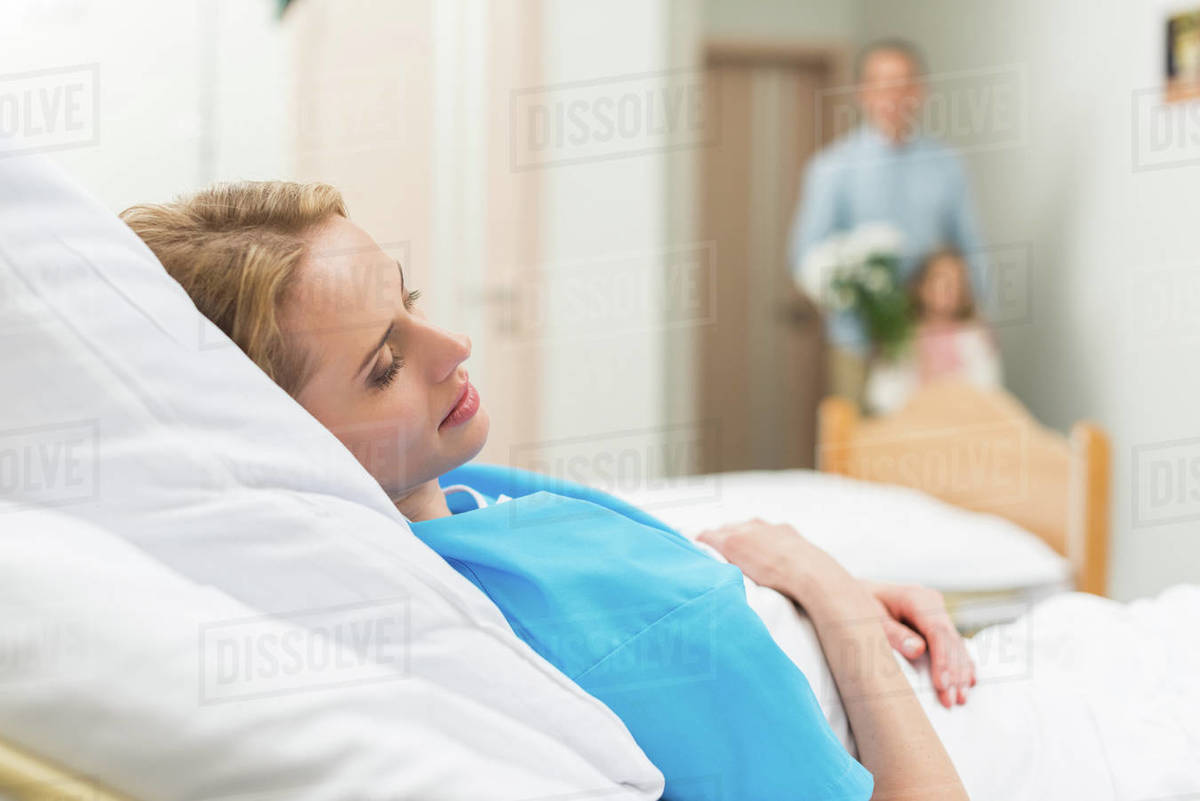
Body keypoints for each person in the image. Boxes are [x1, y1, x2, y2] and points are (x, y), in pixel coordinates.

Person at [121, 181, 974, 801]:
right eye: (384, 366)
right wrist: (834, 601)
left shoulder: (449, 496)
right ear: (286, 445)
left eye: (409, 302)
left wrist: (805, 588)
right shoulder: (581, 623)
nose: (452, 344)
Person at [789, 38, 988, 407]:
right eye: (881, 83)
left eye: (904, 83)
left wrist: (979, 319)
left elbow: (970, 245)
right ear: (862, 92)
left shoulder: (947, 164)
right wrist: (855, 297)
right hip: (858, 343)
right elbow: (805, 257)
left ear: (921, 91)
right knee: (859, 451)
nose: (893, 95)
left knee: (931, 449)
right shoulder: (832, 167)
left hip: (931, 342)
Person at [865, 248, 1003, 414]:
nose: (950, 288)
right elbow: (880, 394)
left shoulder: (975, 335)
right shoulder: (901, 334)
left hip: (962, 417)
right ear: (920, 286)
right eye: (941, 279)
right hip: (914, 420)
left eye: (957, 282)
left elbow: (989, 387)